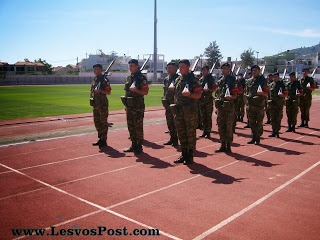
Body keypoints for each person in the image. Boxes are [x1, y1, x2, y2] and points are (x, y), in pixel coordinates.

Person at [171, 59, 202, 165]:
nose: (180, 68)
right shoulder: (178, 80)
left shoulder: (193, 80)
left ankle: (190, 155)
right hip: (179, 111)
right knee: (181, 133)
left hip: (190, 112)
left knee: (190, 133)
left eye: (182, 66)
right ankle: (183, 154)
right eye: (179, 66)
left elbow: (198, 95)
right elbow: (175, 94)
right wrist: (175, 107)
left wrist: (189, 95)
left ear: (188, 67)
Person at [123, 59, 149, 154]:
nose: (130, 68)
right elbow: (126, 91)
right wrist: (126, 104)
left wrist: (136, 90)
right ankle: (133, 145)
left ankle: (139, 146)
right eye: (129, 66)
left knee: (138, 126)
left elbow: (145, 92)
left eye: (132, 66)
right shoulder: (129, 78)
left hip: (138, 106)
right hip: (129, 106)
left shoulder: (141, 78)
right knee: (131, 126)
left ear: (137, 66)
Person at [214, 63, 240, 153]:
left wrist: (231, 97)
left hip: (229, 107)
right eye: (222, 68)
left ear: (229, 69)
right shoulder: (220, 81)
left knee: (228, 127)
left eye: (225, 68)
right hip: (221, 107)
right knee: (221, 126)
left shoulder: (233, 80)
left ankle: (228, 146)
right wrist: (217, 107)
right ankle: (222, 144)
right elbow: (217, 94)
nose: (223, 70)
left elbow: (235, 95)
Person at [245, 65, 269, 145]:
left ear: (259, 71)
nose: (254, 72)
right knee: (251, 122)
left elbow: (266, 93)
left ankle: (258, 138)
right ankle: (253, 137)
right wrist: (247, 104)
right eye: (253, 70)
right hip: (251, 105)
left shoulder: (263, 81)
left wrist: (262, 93)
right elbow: (247, 92)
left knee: (259, 122)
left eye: (256, 70)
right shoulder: (249, 81)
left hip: (259, 105)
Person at [90, 64, 111, 148]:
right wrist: (91, 96)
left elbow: (108, 92)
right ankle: (100, 138)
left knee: (103, 123)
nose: (95, 70)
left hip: (102, 104)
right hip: (96, 104)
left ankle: (104, 140)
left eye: (96, 69)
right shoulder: (95, 79)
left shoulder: (104, 80)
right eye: (94, 69)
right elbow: (92, 89)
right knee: (97, 122)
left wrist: (100, 91)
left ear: (100, 70)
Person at [162, 62, 179, 146]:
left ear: (175, 69)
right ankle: (172, 138)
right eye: (168, 68)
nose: (169, 69)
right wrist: (163, 98)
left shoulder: (178, 78)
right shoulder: (166, 79)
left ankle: (177, 139)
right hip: (168, 103)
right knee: (169, 122)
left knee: (176, 122)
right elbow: (165, 90)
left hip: (175, 104)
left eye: (171, 68)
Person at [199, 65, 217, 138]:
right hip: (201, 100)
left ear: (208, 71)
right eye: (203, 70)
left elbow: (214, 88)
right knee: (203, 116)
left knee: (208, 116)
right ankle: (204, 131)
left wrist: (209, 90)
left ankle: (208, 132)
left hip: (208, 100)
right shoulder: (201, 79)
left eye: (205, 70)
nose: (203, 72)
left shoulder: (211, 79)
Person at [267, 72, 287, 138]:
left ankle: (277, 131)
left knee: (278, 118)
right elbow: (269, 95)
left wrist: (282, 95)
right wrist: (268, 103)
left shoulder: (282, 84)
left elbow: (286, 94)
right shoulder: (271, 85)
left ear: (278, 77)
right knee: (272, 118)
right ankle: (273, 131)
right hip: (272, 104)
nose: (274, 78)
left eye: (275, 77)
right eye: (273, 77)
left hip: (279, 104)